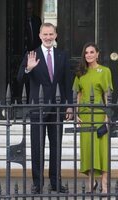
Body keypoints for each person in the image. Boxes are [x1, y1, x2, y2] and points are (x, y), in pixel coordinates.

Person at [17, 23, 73, 193]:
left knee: (56, 147)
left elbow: (66, 83)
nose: (48, 37)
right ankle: (37, 184)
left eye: (51, 34)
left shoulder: (62, 55)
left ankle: (56, 183)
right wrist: (28, 68)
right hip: (37, 108)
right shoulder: (31, 54)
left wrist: (69, 106)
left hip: (57, 108)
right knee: (37, 147)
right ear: (40, 36)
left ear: (56, 35)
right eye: (45, 34)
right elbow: (19, 79)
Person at [72, 42, 113, 193]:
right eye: (86, 53)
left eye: (91, 52)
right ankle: (91, 182)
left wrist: (107, 117)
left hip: (99, 114)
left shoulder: (105, 71)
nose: (88, 55)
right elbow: (79, 94)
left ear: (97, 54)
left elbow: (107, 94)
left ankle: (104, 184)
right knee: (87, 149)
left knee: (102, 150)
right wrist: (76, 114)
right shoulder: (80, 72)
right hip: (84, 115)